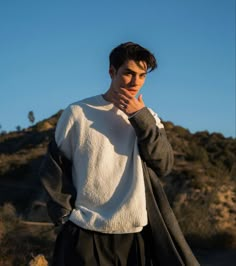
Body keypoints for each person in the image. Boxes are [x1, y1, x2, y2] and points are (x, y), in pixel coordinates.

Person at [40, 42, 200, 265]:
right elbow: (54, 169)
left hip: (135, 235)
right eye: (128, 73)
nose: (136, 82)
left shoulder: (148, 117)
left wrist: (140, 119)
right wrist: (64, 217)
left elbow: (164, 165)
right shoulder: (78, 112)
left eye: (142, 76)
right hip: (85, 231)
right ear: (112, 72)